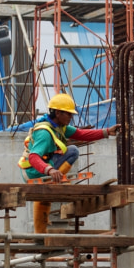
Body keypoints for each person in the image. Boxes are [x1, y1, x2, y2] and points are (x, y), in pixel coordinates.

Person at [18, 93, 120, 233]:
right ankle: (54, 179)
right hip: (34, 171)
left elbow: (81, 134)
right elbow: (34, 157)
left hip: (41, 168)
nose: (71, 117)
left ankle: (53, 181)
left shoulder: (59, 127)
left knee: (72, 151)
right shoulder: (45, 132)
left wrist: (107, 132)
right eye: (69, 114)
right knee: (72, 151)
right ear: (58, 113)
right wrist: (50, 170)